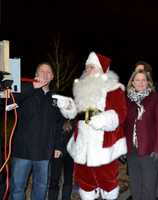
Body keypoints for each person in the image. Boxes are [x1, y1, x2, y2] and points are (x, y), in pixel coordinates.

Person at [56, 51, 127, 200]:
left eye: (91, 67)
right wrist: (67, 106)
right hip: (82, 143)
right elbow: (75, 113)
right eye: (86, 67)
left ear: (101, 70)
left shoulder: (113, 88)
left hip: (103, 144)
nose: (87, 70)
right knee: (85, 180)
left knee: (107, 180)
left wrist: (103, 120)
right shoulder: (81, 89)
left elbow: (120, 113)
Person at [10, 62, 64, 200]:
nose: (45, 74)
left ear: (52, 76)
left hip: (44, 153)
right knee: (17, 188)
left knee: (40, 187)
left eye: (48, 72)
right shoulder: (26, 91)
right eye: (42, 71)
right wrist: (32, 87)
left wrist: (58, 145)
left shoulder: (56, 98)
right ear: (36, 75)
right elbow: (8, 101)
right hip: (22, 151)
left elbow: (59, 124)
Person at [124, 70, 158, 200]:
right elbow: (124, 125)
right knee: (135, 188)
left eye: (143, 80)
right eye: (137, 80)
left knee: (148, 188)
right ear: (132, 82)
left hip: (150, 151)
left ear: (148, 82)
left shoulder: (155, 98)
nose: (141, 83)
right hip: (132, 151)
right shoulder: (127, 100)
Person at [48, 119, 74, 200]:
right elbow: (54, 129)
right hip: (57, 150)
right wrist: (57, 147)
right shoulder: (59, 112)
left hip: (70, 151)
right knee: (54, 179)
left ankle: (66, 198)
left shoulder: (76, 115)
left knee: (68, 180)